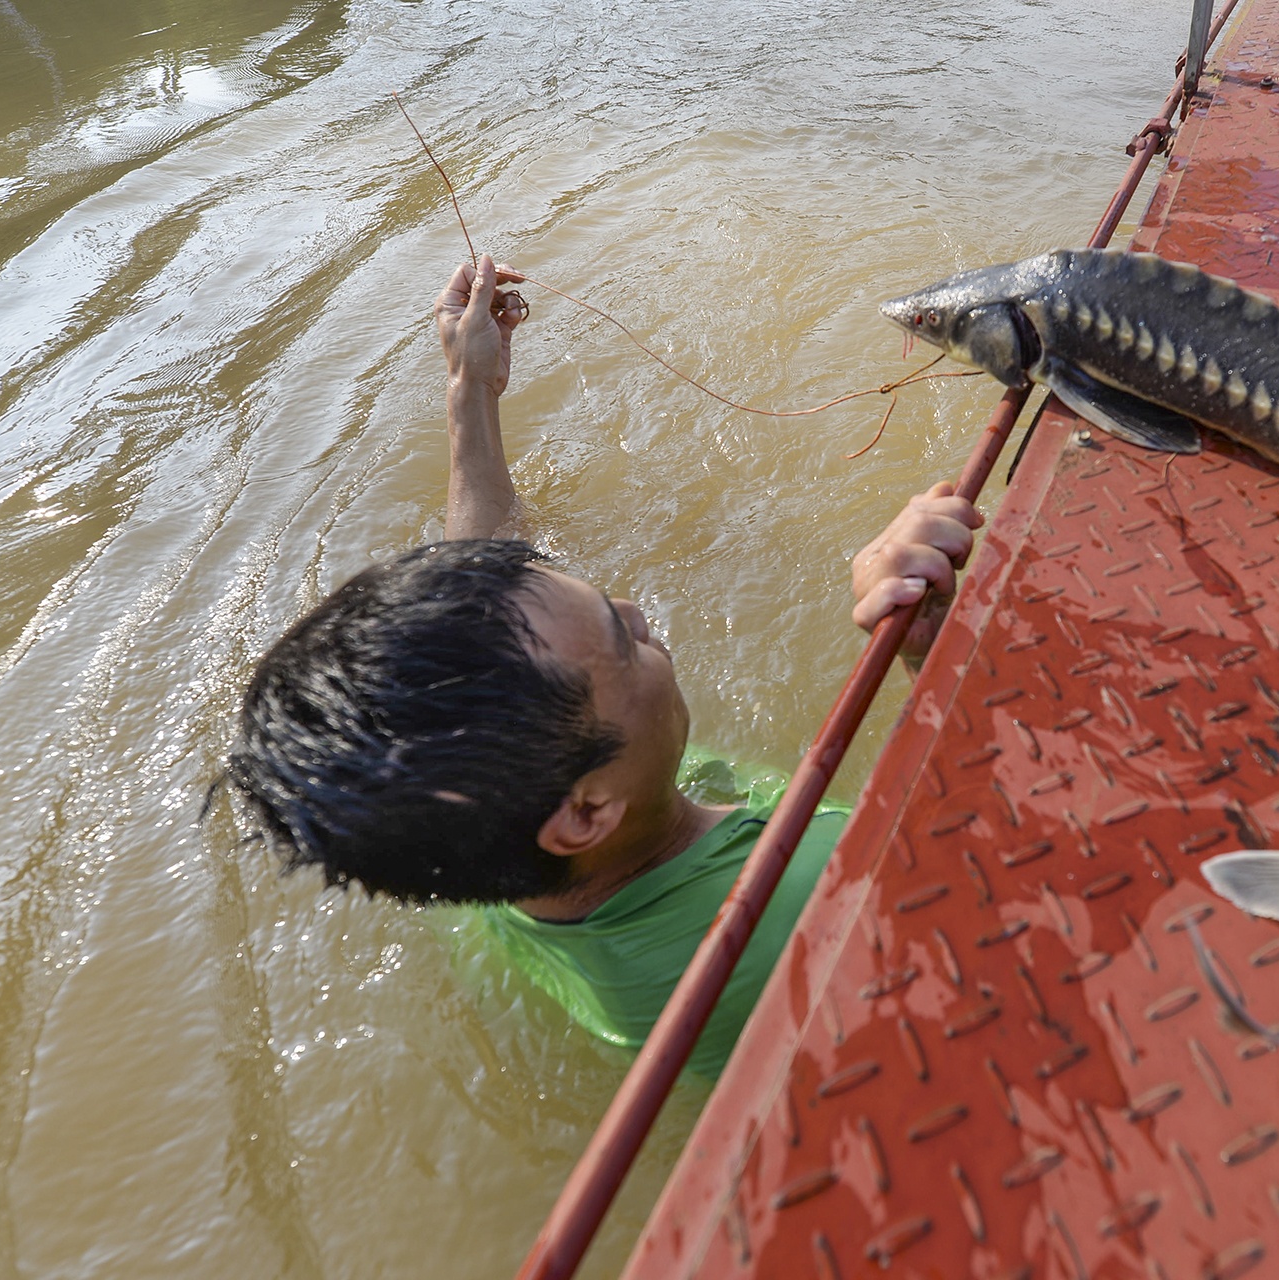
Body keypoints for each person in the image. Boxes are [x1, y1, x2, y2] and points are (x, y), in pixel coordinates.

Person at [225, 256, 982, 1075]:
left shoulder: (467, 828)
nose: (636, 614)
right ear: (586, 813)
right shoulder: (803, 895)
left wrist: (470, 388)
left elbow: (491, 587)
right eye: (622, 642)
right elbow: (1001, 846)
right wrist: (933, 642)